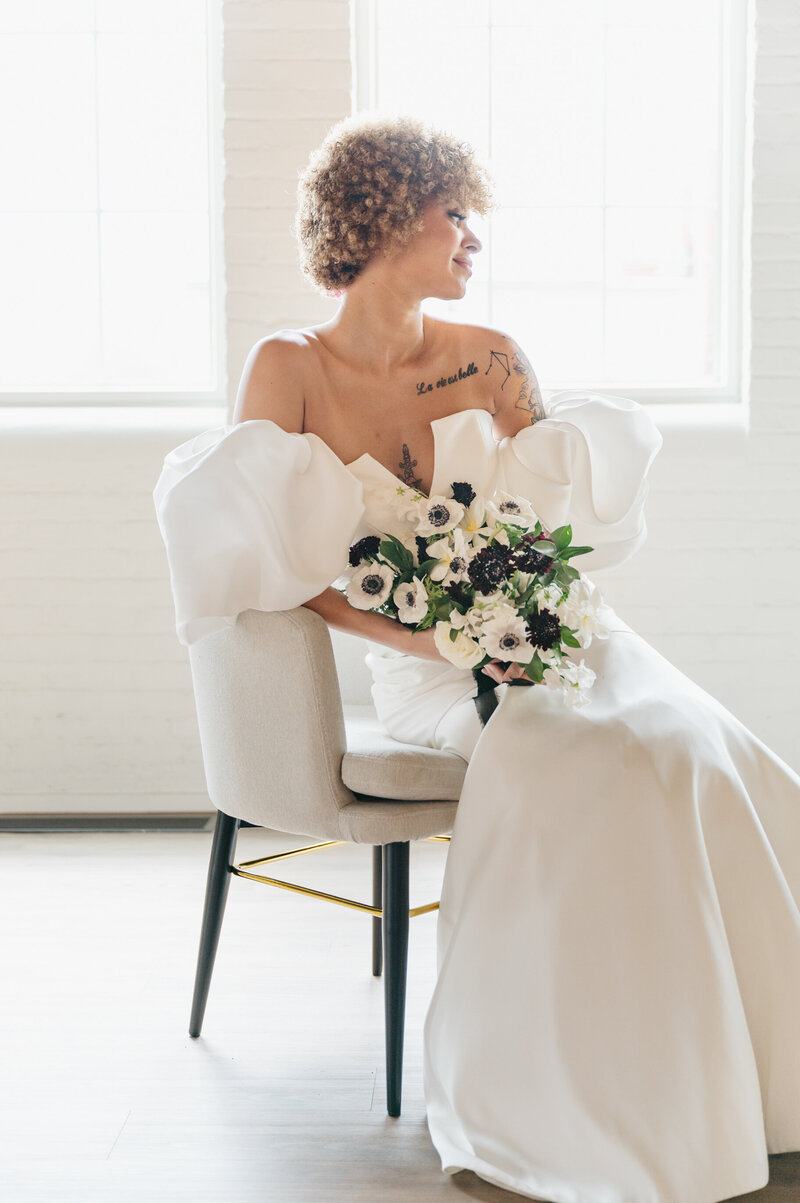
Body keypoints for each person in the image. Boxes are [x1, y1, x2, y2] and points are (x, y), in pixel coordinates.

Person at [154, 114, 800, 1202]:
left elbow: (552, 525)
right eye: (455, 215)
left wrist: (537, 607)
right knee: (580, 757)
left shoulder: (490, 356)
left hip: (553, 628)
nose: (471, 238)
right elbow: (275, 565)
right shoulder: (288, 366)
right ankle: (580, 1091)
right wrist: (416, 635)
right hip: (423, 662)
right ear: (385, 216)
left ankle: (746, 1071)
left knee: (685, 739)